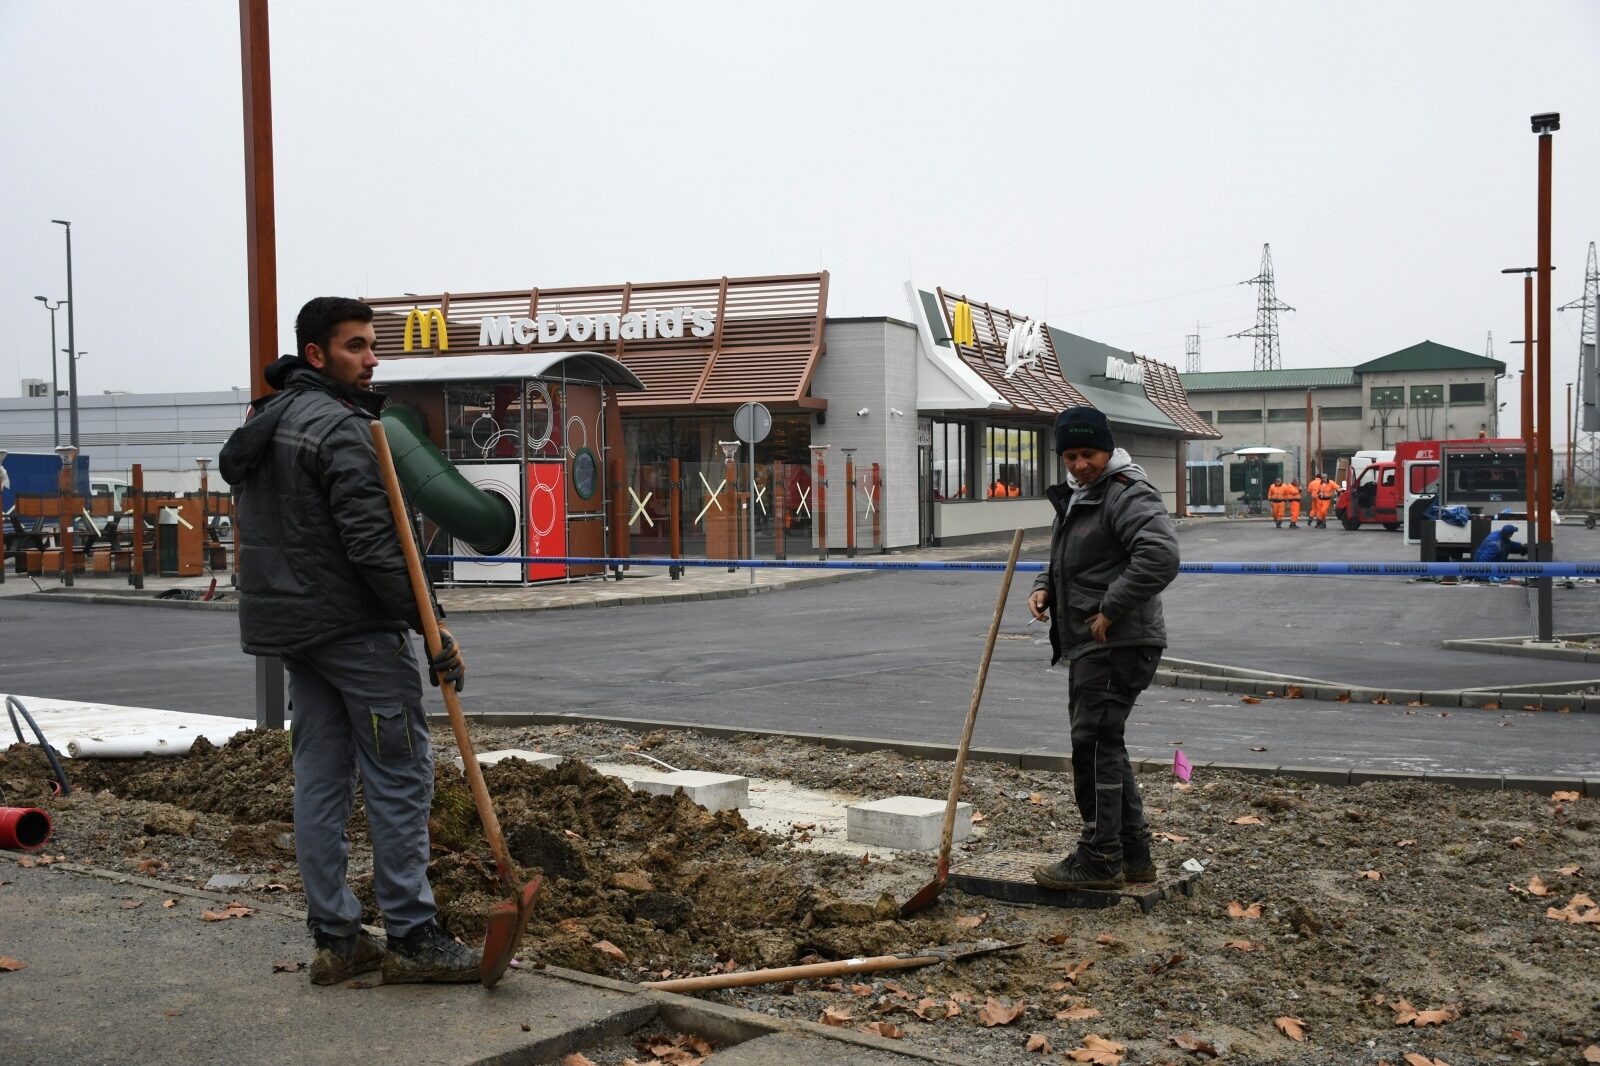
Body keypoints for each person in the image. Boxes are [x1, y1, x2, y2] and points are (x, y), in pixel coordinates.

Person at [220, 297, 479, 987]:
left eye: (372, 345)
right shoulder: (341, 430)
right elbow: (375, 546)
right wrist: (432, 626)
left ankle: (336, 936)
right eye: (357, 347)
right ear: (316, 355)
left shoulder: (269, 421)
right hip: (356, 630)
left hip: (293, 632)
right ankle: (413, 934)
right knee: (399, 774)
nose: (372, 359)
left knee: (322, 778)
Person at [1028, 407, 1180, 891]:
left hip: (1118, 642)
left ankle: (1099, 858)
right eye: (1070, 456)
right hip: (1099, 641)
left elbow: (1160, 555)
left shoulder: (1126, 492)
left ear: (1108, 450)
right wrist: (1044, 586)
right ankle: (1133, 855)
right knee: (1104, 744)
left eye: (1087, 454)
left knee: (1092, 745)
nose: (1078, 464)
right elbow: (1074, 558)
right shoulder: (1082, 496)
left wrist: (1111, 609)